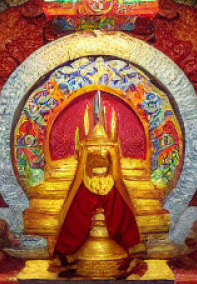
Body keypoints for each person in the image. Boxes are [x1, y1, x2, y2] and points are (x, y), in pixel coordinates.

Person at [52, 99, 142, 262]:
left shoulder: (110, 152)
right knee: (77, 213)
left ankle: (130, 244)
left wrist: (130, 205)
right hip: (89, 183)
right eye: (96, 146)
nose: (99, 149)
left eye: (102, 147)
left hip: (108, 184)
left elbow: (117, 177)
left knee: (119, 210)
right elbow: (79, 175)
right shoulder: (87, 152)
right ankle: (66, 249)